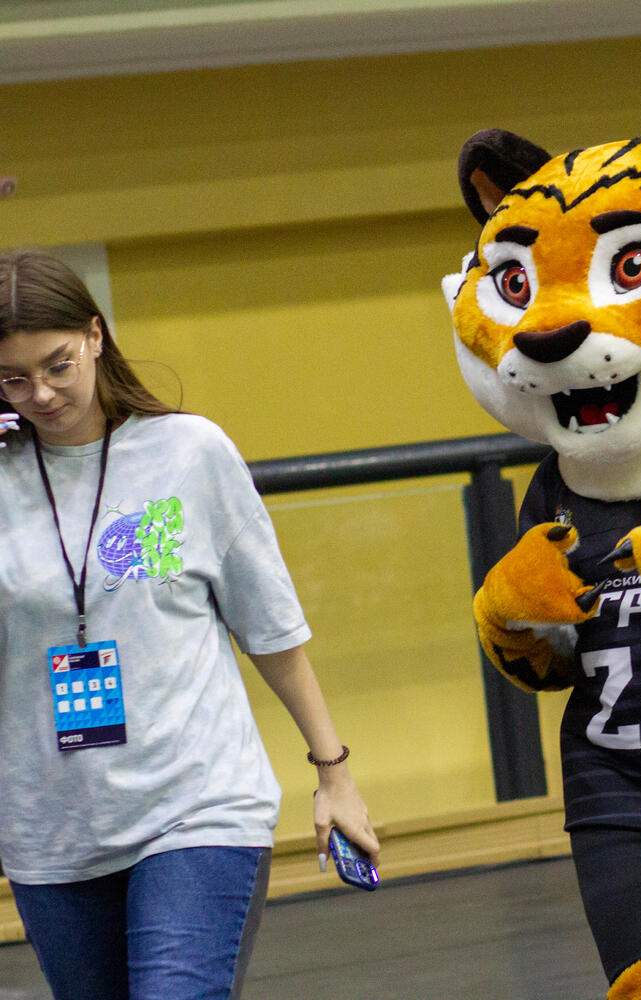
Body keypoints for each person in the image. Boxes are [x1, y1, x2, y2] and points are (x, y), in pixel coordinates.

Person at [0, 247, 380, 999]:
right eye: (13, 378)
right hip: (51, 832)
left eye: (57, 365)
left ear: (96, 336)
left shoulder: (190, 453)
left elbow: (270, 629)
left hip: (196, 807)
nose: (40, 393)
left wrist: (333, 773)